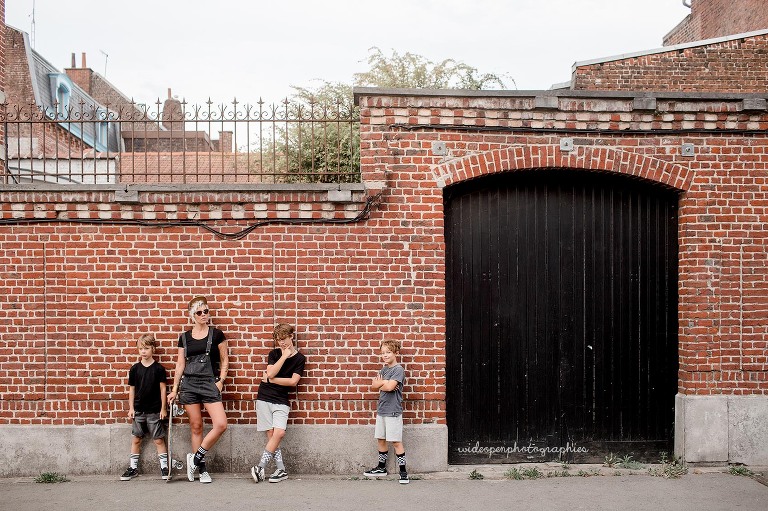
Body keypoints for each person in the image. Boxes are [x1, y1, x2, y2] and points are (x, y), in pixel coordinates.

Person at [167, 296, 229, 484]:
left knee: (220, 424)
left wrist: (221, 381)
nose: (204, 315)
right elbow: (180, 365)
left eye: (206, 311)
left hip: (210, 383)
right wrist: (174, 389)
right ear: (192, 315)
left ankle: (194, 459)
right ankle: (201, 469)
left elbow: (225, 360)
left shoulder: (217, 334)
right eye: (200, 312)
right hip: (189, 385)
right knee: (196, 427)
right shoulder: (184, 338)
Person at [250, 323, 306, 483]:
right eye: (279, 340)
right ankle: (281, 470)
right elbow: (271, 371)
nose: (282, 343)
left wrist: (271, 379)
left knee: (279, 433)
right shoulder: (274, 354)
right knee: (271, 435)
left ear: (291, 336)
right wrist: (283, 356)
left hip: (281, 400)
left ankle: (260, 466)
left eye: (284, 339)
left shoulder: (300, 359)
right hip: (264, 396)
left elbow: (293, 382)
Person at [120, 333, 169, 481]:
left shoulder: (159, 369)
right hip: (139, 410)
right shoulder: (135, 369)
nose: (143, 351)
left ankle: (165, 468)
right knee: (136, 439)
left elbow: (162, 389)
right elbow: (132, 390)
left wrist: (163, 408)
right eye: (140, 348)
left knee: (159, 440)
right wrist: (131, 408)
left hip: (154, 411)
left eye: (146, 348)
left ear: (153, 349)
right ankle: (133, 468)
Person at [363, 340, 409, 484]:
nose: (385, 355)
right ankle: (381, 468)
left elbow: (389, 387)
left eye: (388, 352)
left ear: (396, 353)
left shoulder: (398, 370)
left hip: (393, 411)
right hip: (382, 410)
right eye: (383, 353)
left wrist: (381, 384)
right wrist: (384, 384)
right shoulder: (383, 370)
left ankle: (403, 472)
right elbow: (374, 385)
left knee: (395, 441)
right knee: (381, 439)